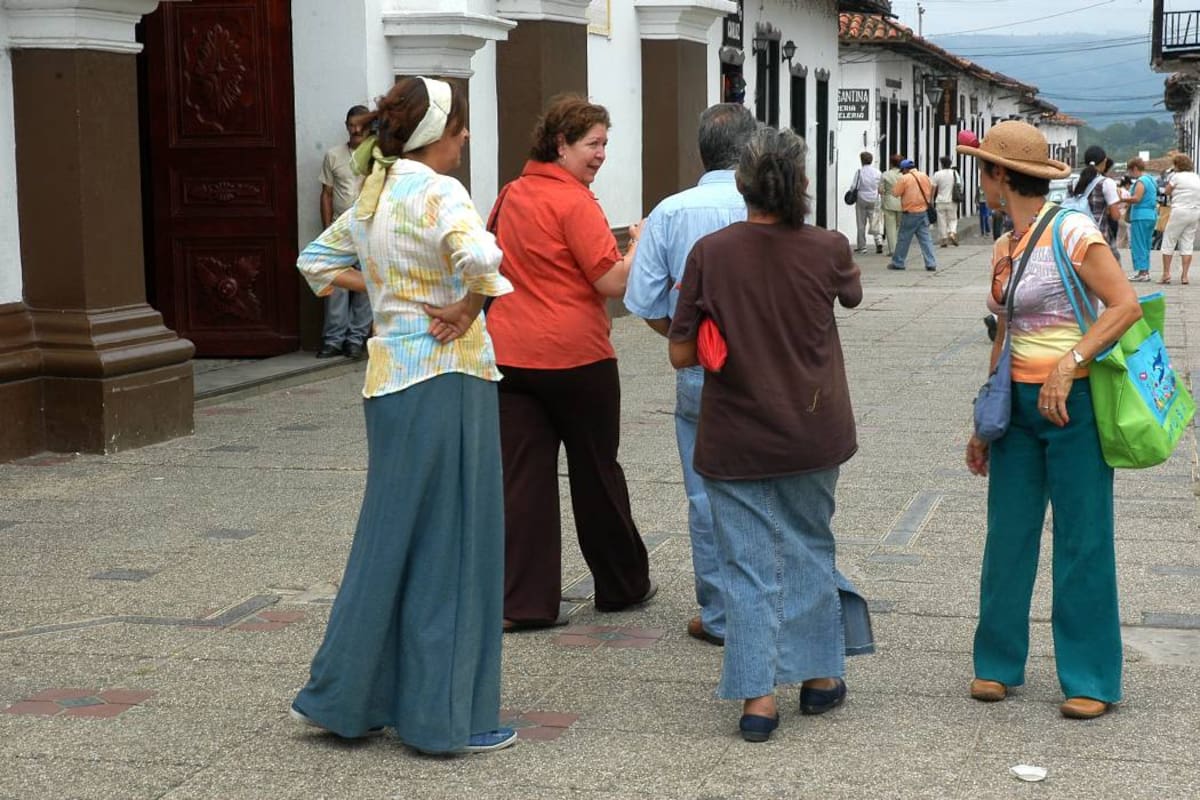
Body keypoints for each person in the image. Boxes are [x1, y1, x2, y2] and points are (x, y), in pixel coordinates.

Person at [292, 77, 517, 754]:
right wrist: (470, 305)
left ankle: (345, 699)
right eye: (461, 127)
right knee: (454, 547)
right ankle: (445, 719)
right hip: (449, 376)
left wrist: (388, 286)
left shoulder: (375, 194)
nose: (467, 137)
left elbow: (316, 262)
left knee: (389, 540)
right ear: (436, 135)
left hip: (389, 377)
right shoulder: (439, 191)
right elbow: (483, 257)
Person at [668, 126, 874, 744]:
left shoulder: (710, 252)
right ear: (802, 184)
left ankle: (758, 700)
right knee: (811, 544)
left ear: (741, 183)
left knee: (749, 565)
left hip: (735, 434)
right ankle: (816, 679)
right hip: (814, 427)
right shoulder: (829, 246)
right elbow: (853, 297)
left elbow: (681, 353)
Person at [959, 121, 1142, 720]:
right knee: (1006, 535)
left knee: (1083, 538)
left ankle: (1089, 674)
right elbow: (1006, 329)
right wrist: (984, 417)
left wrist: (1070, 362)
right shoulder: (1004, 243)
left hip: (1075, 407)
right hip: (1015, 405)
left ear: (1000, 176)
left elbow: (1124, 306)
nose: (980, 181)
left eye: (983, 170)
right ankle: (997, 663)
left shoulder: (1073, 231)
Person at [486, 95, 655, 630]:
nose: (602, 154)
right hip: (577, 358)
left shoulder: (510, 195)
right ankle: (621, 585)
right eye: (593, 144)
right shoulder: (576, 201)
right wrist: (637, 247)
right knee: (596, 471)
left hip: (511, 356)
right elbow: (611, 282)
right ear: (560, 144)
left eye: (605, 143)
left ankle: (524, 604)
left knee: (524, 481)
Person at [624, 103, 757, 647]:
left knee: (705, 494)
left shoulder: (671, 212)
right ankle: (768, 601)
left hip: (702, 370)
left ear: (699, 152)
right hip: (768, 371)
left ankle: (722, 613)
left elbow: (645, 298)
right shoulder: (767, 205)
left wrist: (688, 341)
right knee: (768, 486)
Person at [316, 105, 373, 360]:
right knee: (336, 283)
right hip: (340, 228)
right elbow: (326, 194)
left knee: (365, 285)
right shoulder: (333, 155)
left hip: (368, 228)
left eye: (361, 125)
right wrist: (326, 229)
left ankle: (356, 339)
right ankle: (333, 339)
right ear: (346, 126)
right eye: (352, 125)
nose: (356, 129)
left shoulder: (377, 157)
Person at [1067, 145, 1124, 271]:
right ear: (1104, 162)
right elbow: (1115, 215)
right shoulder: (1106, 183)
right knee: (1111, 269)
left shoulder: (1072, 183)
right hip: (1098, 234)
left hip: (1075, 234)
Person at [888, 159, 937, 271]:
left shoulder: (904, 178)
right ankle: (931, 262)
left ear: (905, 169)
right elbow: (932, 187)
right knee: (926, 239)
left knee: (903, 238)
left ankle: (898, 262)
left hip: (910, 212)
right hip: (923, 212)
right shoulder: (924, 176)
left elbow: (895, 193)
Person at [1160, 153, 1200, 284]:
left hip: (1179, 211)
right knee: (1187, 243)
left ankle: (1166, 274)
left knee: (1169, 240)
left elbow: (1166, 191)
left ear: (1178, 165)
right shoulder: (1196, 177)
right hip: (1194, 212)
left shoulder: (1176, 177)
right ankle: (1184, 276)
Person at [1126, 157, 1158, 282]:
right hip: (1151, 215)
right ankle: (1145, 271)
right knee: (1146, 243)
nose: (1129, 174)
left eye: (1130, 171)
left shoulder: (1141, 181)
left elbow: (1137, 198)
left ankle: (1142, 272)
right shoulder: (1151, 179)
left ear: (1134, 168)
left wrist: (1123, 198)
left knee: (1138, 244)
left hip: (1140, 215)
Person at [852, 151, 884, 254]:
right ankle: (878, 240)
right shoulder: (877, 172)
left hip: (861, 198)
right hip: (874, 198)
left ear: (862, 160)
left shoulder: (859, 172)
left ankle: (862, 247)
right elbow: (880, 186)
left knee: (861, 223)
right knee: (874, 221)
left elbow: (854, 187)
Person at [932, 156, 961, 247]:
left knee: (941, 221)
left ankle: (944, 239)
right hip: (952, 201)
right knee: (953, 219)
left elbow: (933, 188)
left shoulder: (937, 174)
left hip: (940, 201)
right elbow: (959, 185)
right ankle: (952, 233)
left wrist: (931, 199)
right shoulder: (954, 173)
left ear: (941, 164)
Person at [879, 153, 904, 255]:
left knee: (890, 227)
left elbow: (881, 190)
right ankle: (900, 248)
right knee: (900, 226)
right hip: (902, 202)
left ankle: (892, 250)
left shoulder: (885, 174)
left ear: (891, 163)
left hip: (889, 202)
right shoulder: (904, 175)